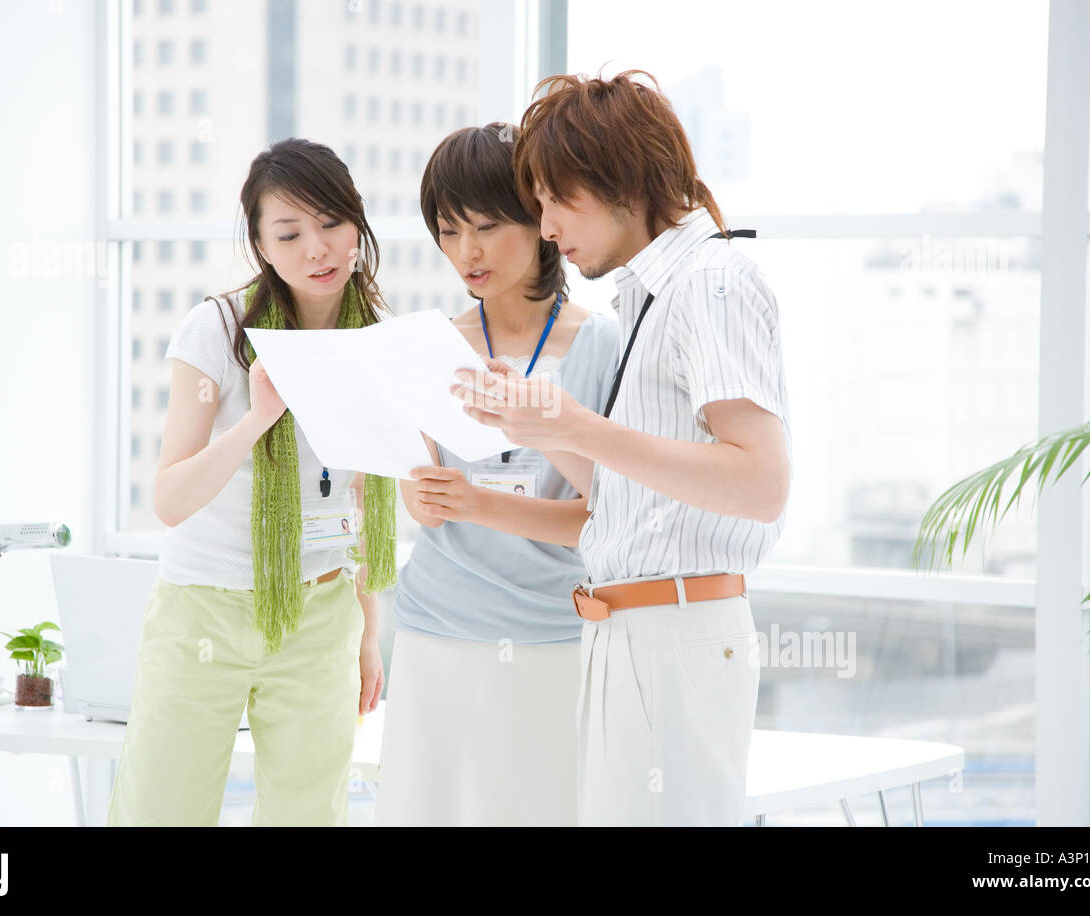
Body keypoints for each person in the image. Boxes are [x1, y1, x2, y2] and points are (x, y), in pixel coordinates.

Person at [452, 72, 793, 826]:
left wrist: (573, 426)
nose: (545, 228)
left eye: (555, 199)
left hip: (674, 633)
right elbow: (628, 497)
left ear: (622, 180)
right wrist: (536, 425)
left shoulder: (711, 283)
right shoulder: (650, 295)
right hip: (630, 629)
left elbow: (760, 482)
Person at [107, 138, 395, 826]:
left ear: (358, 225)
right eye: (289, 234)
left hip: (322, 614)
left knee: (308, 814)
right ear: (262, 246)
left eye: (331, 224)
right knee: (162, 809)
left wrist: (366, 633)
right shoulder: (217, 331)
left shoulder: (377, 340)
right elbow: (170, 499)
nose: (317, 249)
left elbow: (365, 497)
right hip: (202, 608)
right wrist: (257, 419)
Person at [373, 123, 621, 826]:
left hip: (551, 634)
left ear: (543, 222)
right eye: (449, 232)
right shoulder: (432, 345)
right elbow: (425, 502)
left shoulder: (598, 345)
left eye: (486, 226)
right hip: (434, 628)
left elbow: (602, 517)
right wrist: (421, 496)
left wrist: (478, 503)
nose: (467, 252)